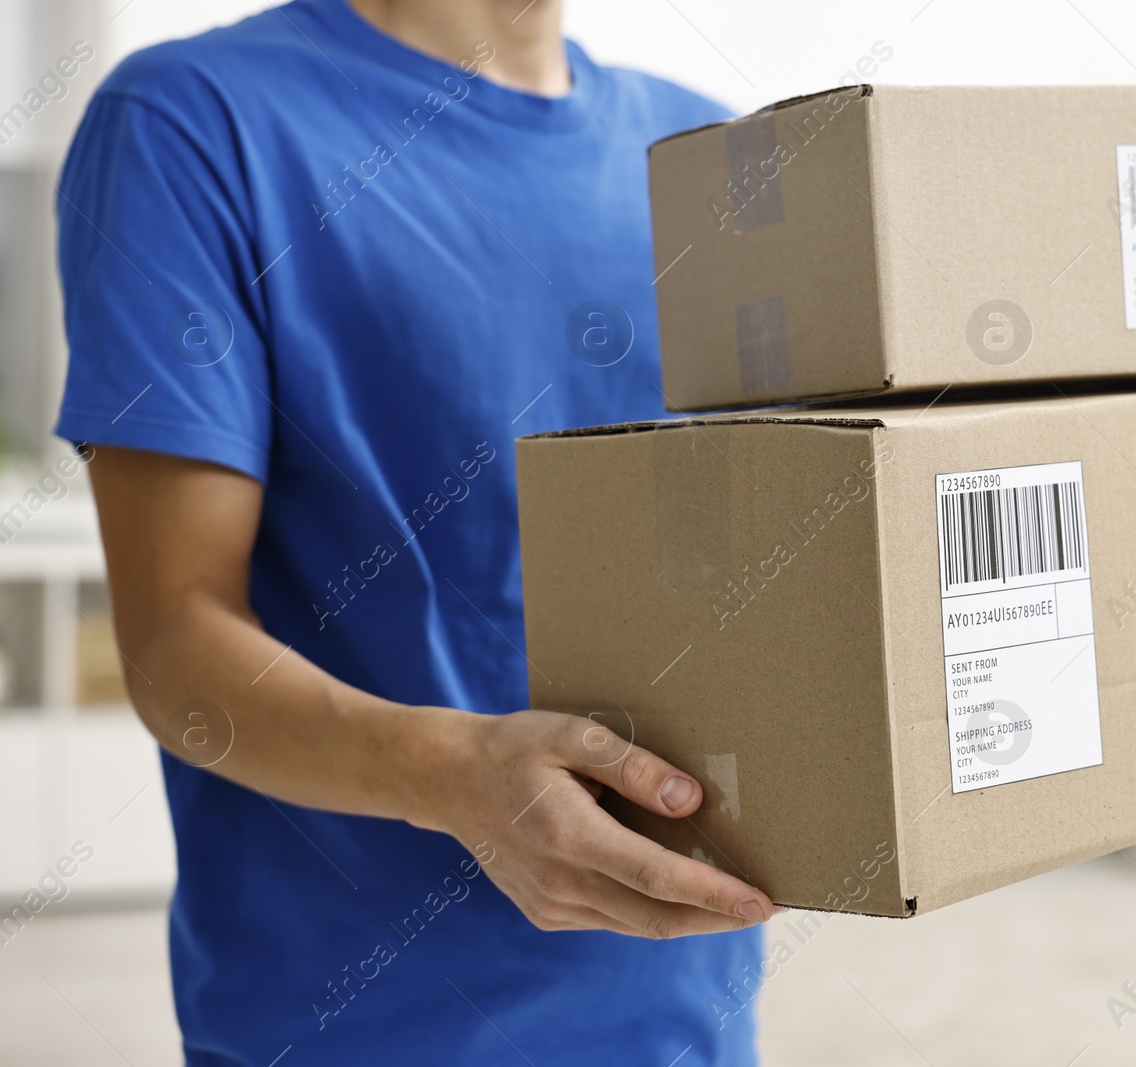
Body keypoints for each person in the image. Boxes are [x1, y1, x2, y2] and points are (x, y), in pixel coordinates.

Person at [54, 0, 775, 1063]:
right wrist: (456, 773)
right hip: (355, 1025)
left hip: (687, 1006)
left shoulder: (720, 154)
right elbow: (173, 643)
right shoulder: (193, 121)